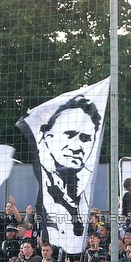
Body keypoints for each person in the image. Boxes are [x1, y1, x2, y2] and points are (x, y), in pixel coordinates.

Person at [35, 95, 102, 246]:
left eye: (85, 138)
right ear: (47, 136)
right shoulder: (44, 185)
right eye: (70, 135)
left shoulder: (83, 185)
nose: (77, 146)